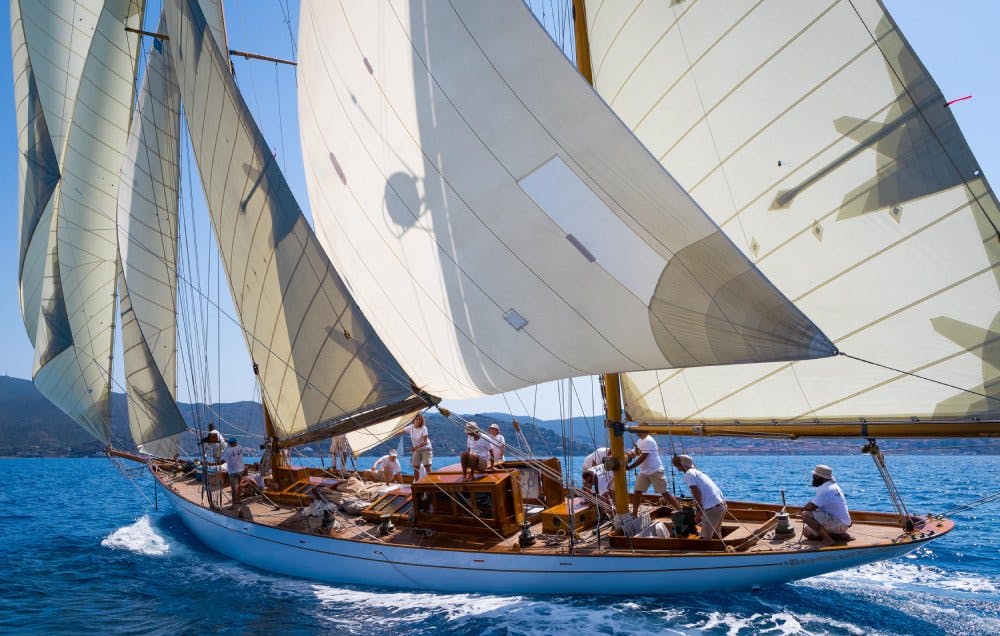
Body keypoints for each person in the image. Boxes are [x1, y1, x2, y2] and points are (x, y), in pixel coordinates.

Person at [664, 455, 727, 540]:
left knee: (705, 539)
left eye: (677, 465)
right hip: (721, 505)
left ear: (682, 464)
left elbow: (696, 493)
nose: (676, 468)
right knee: (716, 535)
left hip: (713, 509)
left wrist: (698, 512)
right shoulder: (699, 473)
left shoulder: (689, 474)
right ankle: (721, 548)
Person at [802, 464, 852, 546]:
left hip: (839, 523)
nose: (813, 477)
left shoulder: (826, 489)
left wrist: (801, 511)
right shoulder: (832, 486)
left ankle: (828, 540)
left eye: (815, 476)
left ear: (820, 477)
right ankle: (838, 536)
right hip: (844, 523)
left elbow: (810, 507)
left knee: (805, 514)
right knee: (807, 532)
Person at [626, 431, 669, 517]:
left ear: (644, 431)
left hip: (655, 470)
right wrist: (626, 456)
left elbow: (643, 457)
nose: (637, 433)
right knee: (637, 491)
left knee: (664, 493)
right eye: (637, 431)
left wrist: (631, 467)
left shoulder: (648, 440)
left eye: (639, 431)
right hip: (644, 472)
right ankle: (634, 514)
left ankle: (679, 510)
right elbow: (636, 453)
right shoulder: (640, 441)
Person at [404, 413, 433, 477]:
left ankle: (433, 480)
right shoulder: (410, 427)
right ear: (413, 420)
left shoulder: (423, 428)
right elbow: (402, 431)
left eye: (420, 420)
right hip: (417, 450)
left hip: (426, 449)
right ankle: (416, 481)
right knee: (416, 467)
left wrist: (415, 447)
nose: (418, 421)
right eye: (416, 419)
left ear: (421, 421)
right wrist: (391, 434)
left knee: (427, 465)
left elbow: (425, 442)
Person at [220, 438, 246, 507]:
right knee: (240, 485)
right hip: (241, 470)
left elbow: (223, 461)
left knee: (234, 487)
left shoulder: (228, 451)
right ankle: (239, 500)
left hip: (232, 471)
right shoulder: (240, 448)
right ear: (236, 442)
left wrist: (217, 462)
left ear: (230, 444)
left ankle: (234, 503)